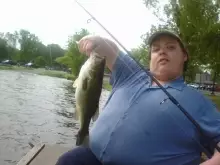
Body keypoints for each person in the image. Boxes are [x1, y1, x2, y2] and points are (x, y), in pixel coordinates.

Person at [56, 30, 220, 165]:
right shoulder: (130, 73)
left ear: (184, 56)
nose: (162, 51)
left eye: (170, 47)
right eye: (155, 49)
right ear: (150, 58)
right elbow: (109, 49)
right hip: (91, 157)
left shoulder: (197, 100)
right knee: (68, 160)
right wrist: (95, 41)